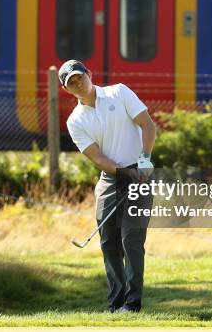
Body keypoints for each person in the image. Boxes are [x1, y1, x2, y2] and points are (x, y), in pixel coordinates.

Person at [58, 59, 156, 313]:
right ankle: (117, 304)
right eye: (71, 83)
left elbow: (147, 124)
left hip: (140, 171)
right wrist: (124, 174)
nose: (78, 83)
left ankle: (133, 304)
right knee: (109, 242)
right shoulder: (75, 121)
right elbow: (97, 158)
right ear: (67, 90)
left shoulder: (119, 92)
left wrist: (143, 162)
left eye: (80, 77)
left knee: (131, 240)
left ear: (89, 74)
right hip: (110, 180)